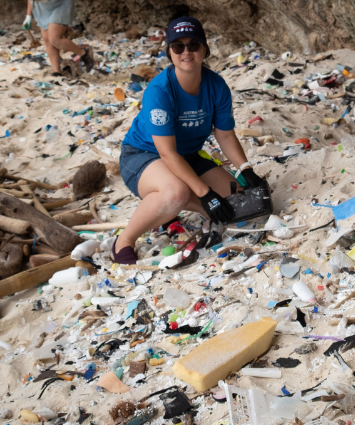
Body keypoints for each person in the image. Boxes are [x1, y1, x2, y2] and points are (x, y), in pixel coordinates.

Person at [115, 17, 265, 265]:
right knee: (178, 191)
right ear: (170, 52)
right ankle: (125, 240)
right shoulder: (160, 91)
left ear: (204, 49)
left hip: (188, 155)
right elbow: (167, 154)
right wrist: (205, 195)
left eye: (193, 45)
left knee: (236, 196)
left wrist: (246, 169)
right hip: (142, 156)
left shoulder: (217, 86)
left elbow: (225, 134)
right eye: (178, 46)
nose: (186, 52)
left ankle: (168, 211)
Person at [23, 0, 95, 76]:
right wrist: (28, 16)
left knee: (54, 39)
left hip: (59, 5)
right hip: (41, 8)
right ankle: (57, 71)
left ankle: (84, 53)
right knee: (47, 40)